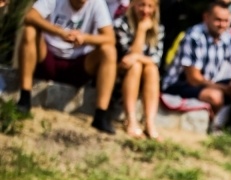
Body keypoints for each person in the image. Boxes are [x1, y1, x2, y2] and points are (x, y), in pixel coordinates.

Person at [16, 0, 118, 134]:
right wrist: (60, 33)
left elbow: (110, 38)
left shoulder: (97, 3)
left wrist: (84, 38)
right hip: (48, 57)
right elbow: (30, 16)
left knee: (109, 51)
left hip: (78, 64)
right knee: (29, 31)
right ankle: (24, 98)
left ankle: (101, 114)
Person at [161, 0, 231, 117]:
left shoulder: (226, 37)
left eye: (226, 21)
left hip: (208, 82)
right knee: (215, 96)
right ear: (206, 17)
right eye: (218, 20)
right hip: (178, 84)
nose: (222, 24)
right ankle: (211, 127)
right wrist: (225, 88)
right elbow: (194, 79)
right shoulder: (194, 36)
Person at [114, 0, 165, 139]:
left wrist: (136, 57)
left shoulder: (158, 29)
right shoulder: (120, 24)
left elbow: (156, 60)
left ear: (155, 8)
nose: (145, 10)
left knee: (152, 69)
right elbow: (126, 59)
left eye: (150, 6)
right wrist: (141, 30)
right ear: (133, 4)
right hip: (119, 77)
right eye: (141, 4)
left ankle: (149, 123)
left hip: (145, 77)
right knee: (135, 66)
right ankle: (131, 120)